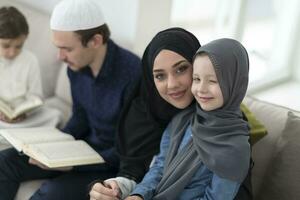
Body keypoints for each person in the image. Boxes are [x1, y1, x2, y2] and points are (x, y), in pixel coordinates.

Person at [0, 0, 141, 199]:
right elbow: (79, 119)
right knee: (4, 161)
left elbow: (129, 154)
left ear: (95, 41)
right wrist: (51, 148)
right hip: (80, 150)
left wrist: (74, 163)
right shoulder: (76, 68)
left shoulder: (134, 75)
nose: (59, 57)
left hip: (108, 165)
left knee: (49, 194)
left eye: (67, 49)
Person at [89, 29, 252, 200]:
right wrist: (134, 193)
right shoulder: (177, 120)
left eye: (181, 69)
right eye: (160, 75)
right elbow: (155, 168)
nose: (172, 84)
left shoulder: (231, 132)